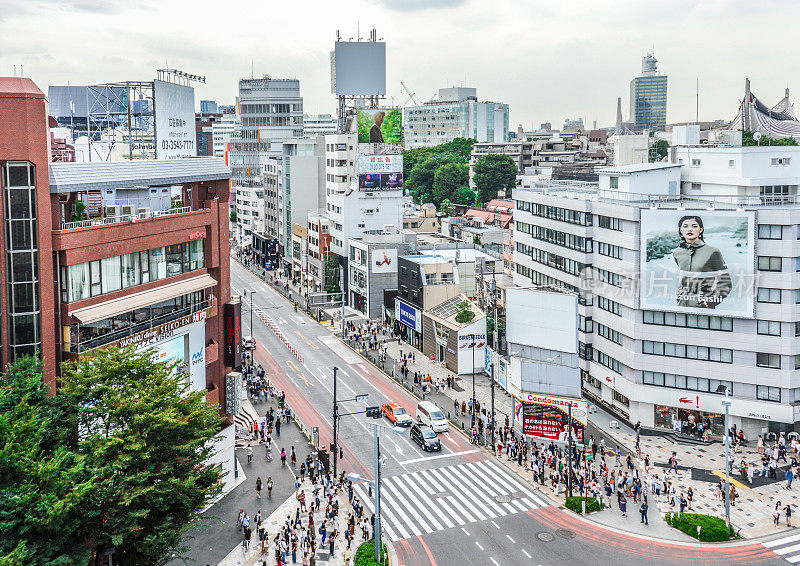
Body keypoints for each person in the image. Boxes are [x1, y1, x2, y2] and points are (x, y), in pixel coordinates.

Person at [671, 215, 732, 309]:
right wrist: (679, 296)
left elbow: (725, 282)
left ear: (701, 229)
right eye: (685, 226)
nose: (689, 229)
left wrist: (710, 301)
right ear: (680, 230)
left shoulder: (713, 251)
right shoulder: (677, 253)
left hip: (703, 307)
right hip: (682, 305)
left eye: (694, 226)